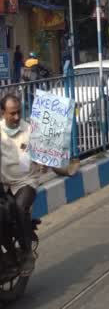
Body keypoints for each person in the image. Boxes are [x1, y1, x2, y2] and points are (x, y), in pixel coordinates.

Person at [0, 94, 46, 274]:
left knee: (20, 207)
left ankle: (27, 253)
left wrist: (44, 161)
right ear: (3, 113)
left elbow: (44, 154)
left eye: (19, 112)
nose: (17, 117)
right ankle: (10, 254)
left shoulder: (30, 130)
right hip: (4, 183)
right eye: (12, 113)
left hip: (25, 181)